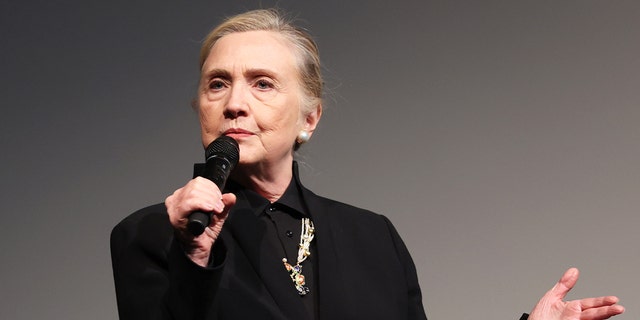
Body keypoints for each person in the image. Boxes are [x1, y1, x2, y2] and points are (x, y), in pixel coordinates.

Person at [110, 9, 625, 320]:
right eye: (217, 83)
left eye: (262, 83)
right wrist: (195, 257)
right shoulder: (152, 235)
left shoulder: (372, 236)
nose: (234, 103)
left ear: (309, 117)